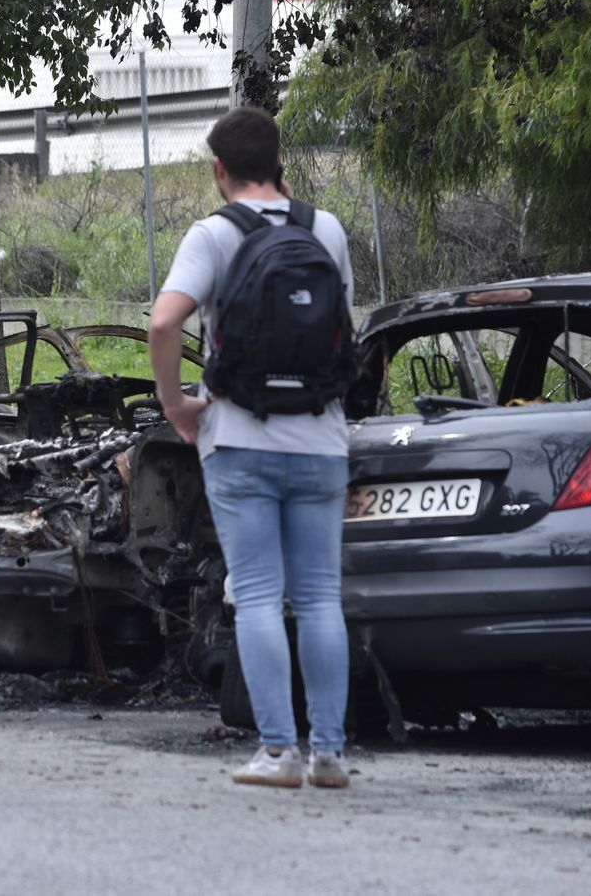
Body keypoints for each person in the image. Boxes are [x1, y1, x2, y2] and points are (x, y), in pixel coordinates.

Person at [146, 106, 354, 789]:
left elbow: (164, 323)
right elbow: (343, 330)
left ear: (219, 171)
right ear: (281, 164)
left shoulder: (213, 235)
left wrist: (177, 405)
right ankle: (328, 753)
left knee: (259, 595)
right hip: (320, 437)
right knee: (321, 597)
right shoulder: (325, 229)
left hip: (239, 435)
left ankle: (278, 753)